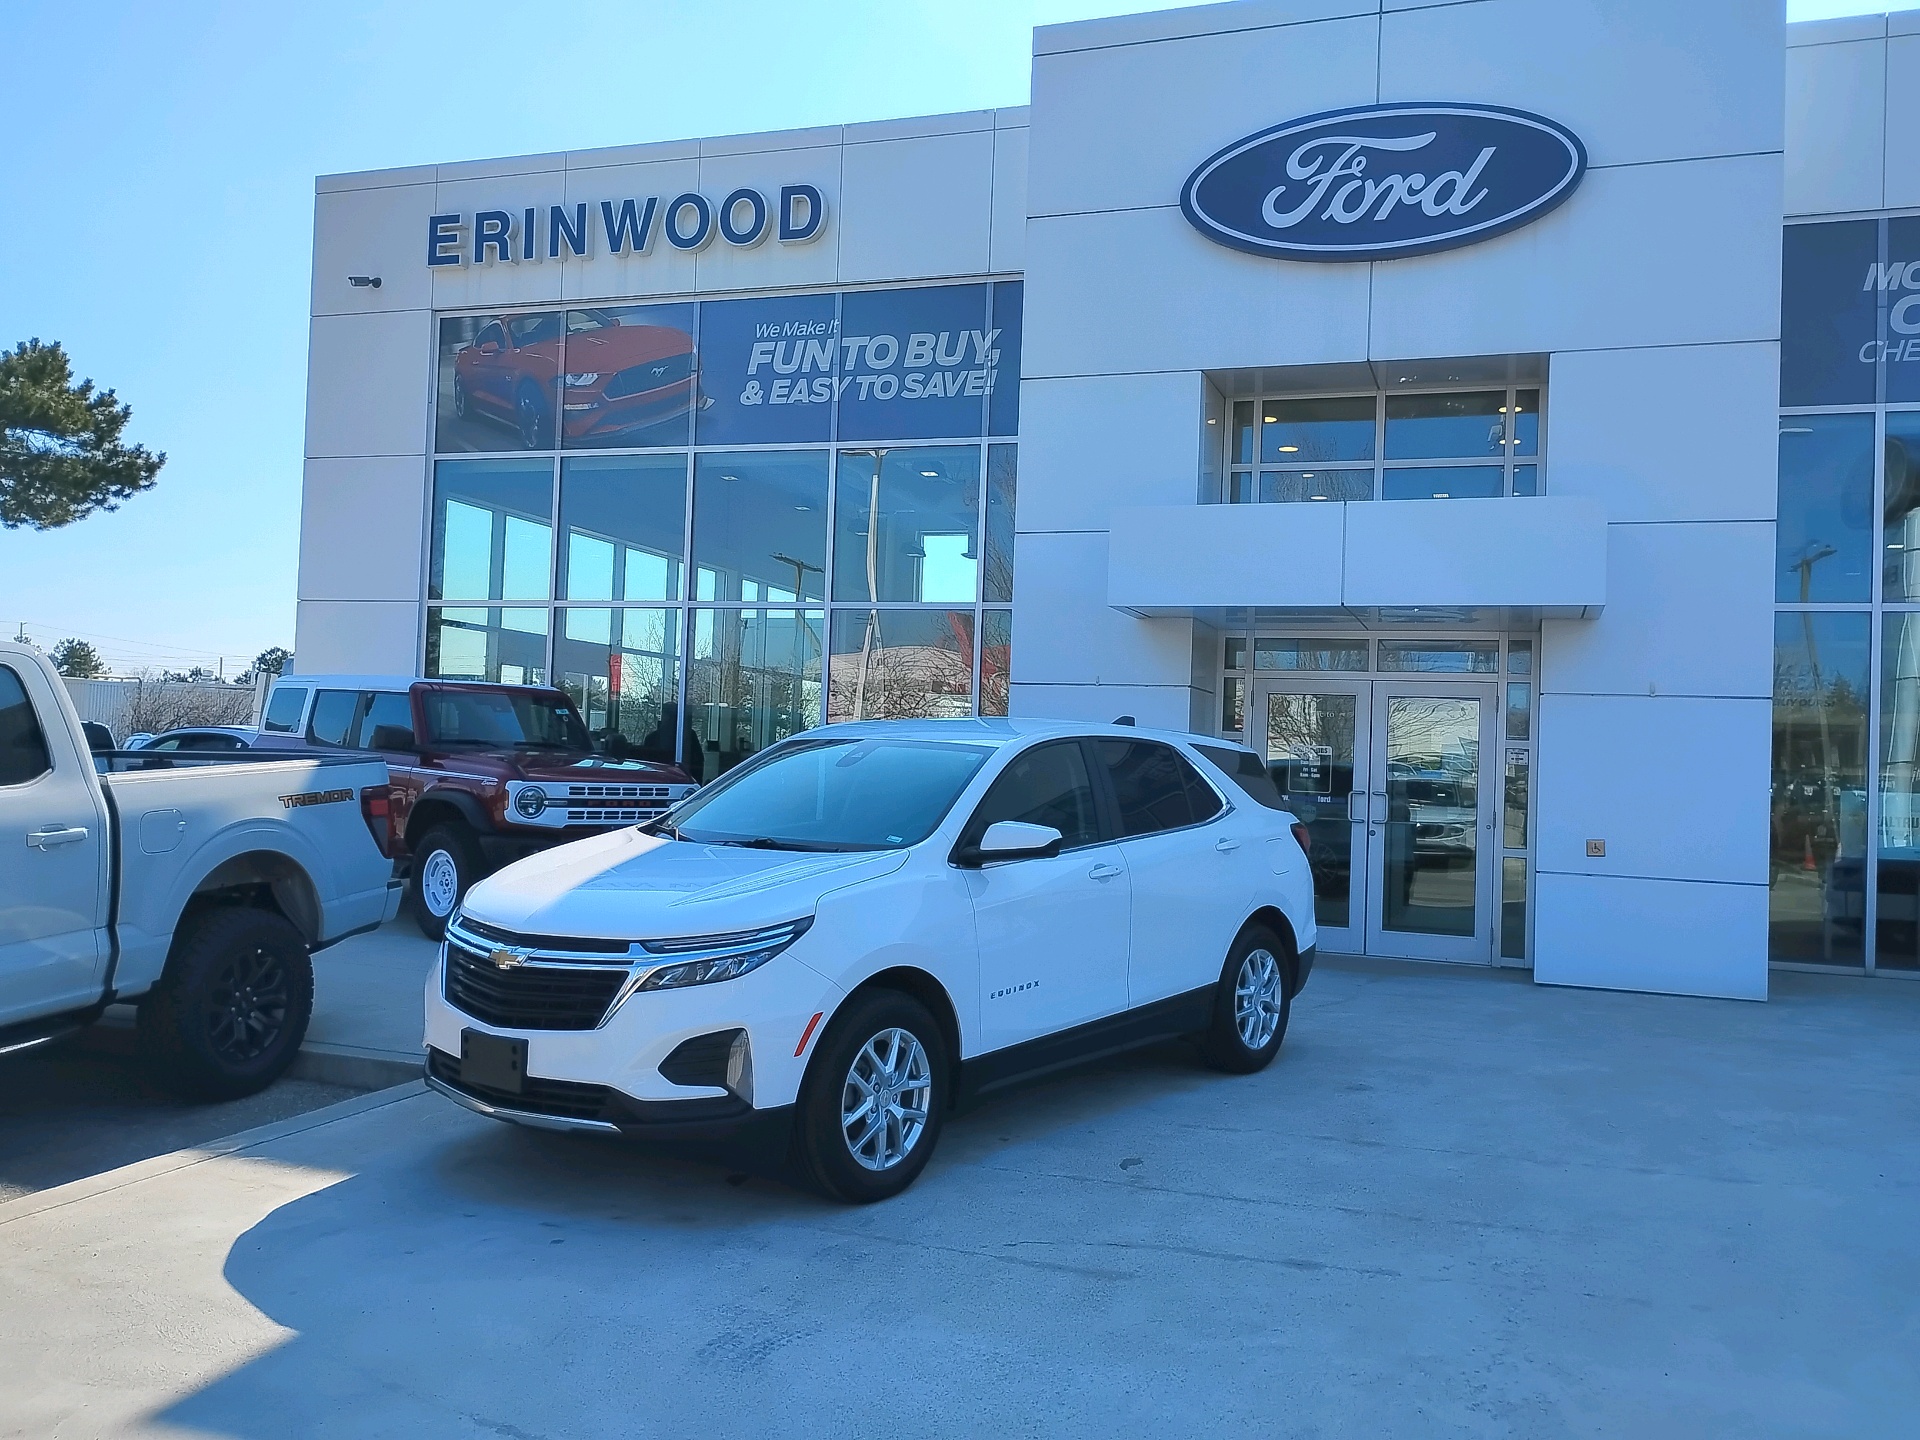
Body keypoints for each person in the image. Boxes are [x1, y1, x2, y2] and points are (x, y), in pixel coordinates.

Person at [641, 702, 703, 783]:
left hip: (683, 779)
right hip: (659, 780)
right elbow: (647, 763)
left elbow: (698, 760)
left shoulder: (689, 735)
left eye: (670, 716)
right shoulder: (652, 737)